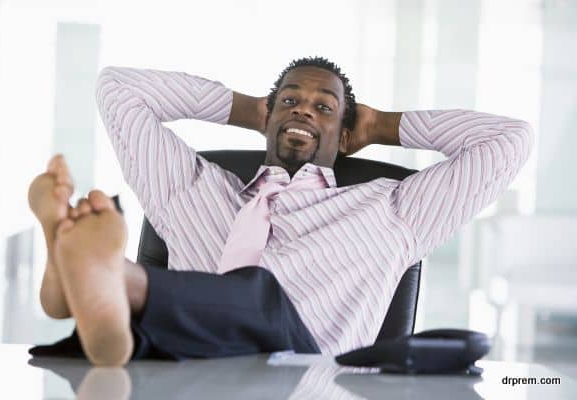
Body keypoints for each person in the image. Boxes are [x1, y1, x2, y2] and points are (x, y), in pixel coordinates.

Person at [28, 57, 533, 366]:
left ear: (347, 132)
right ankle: (106, 287)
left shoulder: (393, 209)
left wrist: (379, 125)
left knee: (260, 296)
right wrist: (252, 109)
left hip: (304, 376)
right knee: (204, 319)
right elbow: (118, 89)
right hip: (184, 371)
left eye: (324, 107)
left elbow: (509, 140)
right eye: (290, 100)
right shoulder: (193, 187)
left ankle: (102, 282)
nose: (303, 110)